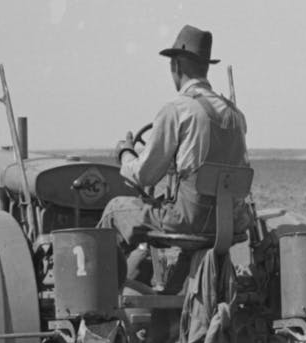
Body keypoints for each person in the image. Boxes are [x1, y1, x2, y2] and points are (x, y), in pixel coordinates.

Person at [98, 24, 250, 280]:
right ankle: (173, 291)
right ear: (205, 67)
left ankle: (98, 302)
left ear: (176, 66)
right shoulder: (236, 115)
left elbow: (145, 176)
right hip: (230, 222)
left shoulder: (178, 110)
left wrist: (126, 154)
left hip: (190, 222)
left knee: (115, 210)